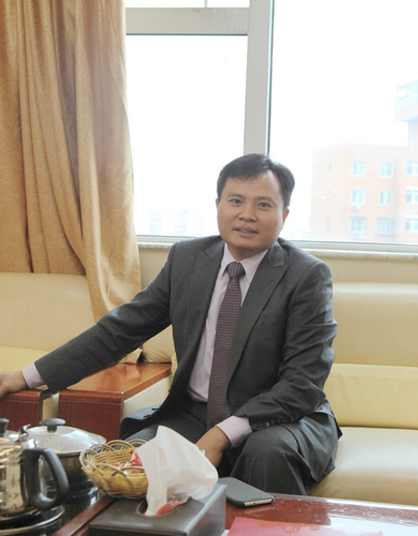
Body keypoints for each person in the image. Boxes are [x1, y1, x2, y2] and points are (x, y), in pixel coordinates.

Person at [0, 153, 340, 495]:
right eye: (236, 201)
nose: (247, 214)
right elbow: (119, 331)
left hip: (278, 419)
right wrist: (26, 376)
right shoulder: (187, 260)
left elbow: (302, 382)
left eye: (263, 205)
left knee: (267, 453)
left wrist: (222, 434)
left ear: (284, 215)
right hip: (193, 413)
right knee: (132, 462)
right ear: (218, 205)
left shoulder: (306, 276)